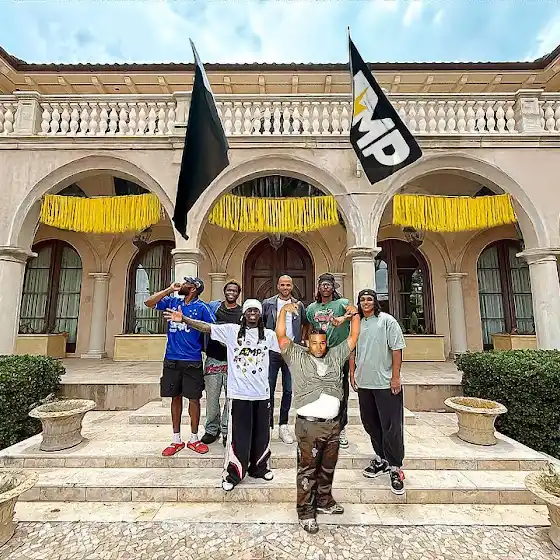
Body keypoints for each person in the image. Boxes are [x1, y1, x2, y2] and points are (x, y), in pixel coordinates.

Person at [164, 299, 276, 492]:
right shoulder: (232, 331)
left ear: (260, 315)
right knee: (238, 437)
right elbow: (206, 327)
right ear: (243, 314)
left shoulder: (269, 335)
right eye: (249, 310)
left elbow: (288, 347)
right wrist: (184, 319)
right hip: (239, 395)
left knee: (262, 435)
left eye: (256, 311)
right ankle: (233, 474)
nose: (252, 313)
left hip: (262, 395)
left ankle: (259, 468)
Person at [276, 300, 360, 534]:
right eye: (314, 342)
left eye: (322, 342)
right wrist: (282, 312)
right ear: (307, 343)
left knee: (328, 467)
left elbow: (353, 337)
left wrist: (354, 314)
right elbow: (281, 336)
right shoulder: (297, 356)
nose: (319, 346)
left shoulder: (335, 355)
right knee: (308, 470)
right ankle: (305, 511)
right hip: (309, 426)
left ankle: (324, 501)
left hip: (333, 425)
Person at [144, 277, 215, 456]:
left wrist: (185, 320)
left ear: (194, 289)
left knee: (194, 399)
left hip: (192, 359)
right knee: (175, 397)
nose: (182, 285)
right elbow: (148, 302)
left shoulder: (202, 307)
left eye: (186, 284)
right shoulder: (173, 301)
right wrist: (168, 290)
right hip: (171, 359)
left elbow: (211, 328)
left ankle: (194, 438)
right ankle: (176, 440)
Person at [349, 288, 406, 496]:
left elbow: (397, 349)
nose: (366, 303)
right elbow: (352, 350)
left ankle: (395, 467)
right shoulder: (356, 324)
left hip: (385, 383)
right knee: (370, 423)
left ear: (375, 302)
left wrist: (396, 377)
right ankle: (381, 458)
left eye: (369, 299)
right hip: (365, 383)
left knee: (391, 426)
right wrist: (352, 373)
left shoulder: (387, 321)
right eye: (362, 300)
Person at [304, 273, 354, 449]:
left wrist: (343, 318)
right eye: (322, 285)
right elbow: (310, 327)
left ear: (333, 288)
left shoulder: (341, 303)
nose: (325, 287)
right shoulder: (312, 308)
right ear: (318, 288)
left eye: (328, 285)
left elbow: (354, 312)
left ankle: (340, 429)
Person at [262, 275, 307, 445]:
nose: (285, 287)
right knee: (269, 389)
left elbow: (305, 323)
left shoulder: (298, 305)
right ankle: (267, 426)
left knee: (288, 391)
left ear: (292, 286)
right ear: (278, 286)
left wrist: (301, 341)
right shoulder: (268, 303)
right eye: (282, 285)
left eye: (288, 285)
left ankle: (283, 425)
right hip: (272, 352)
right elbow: (261, 323)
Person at [202, 280, 243, 446]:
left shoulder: (241, 312)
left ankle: (227, 430)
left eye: (234, 290)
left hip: (232, 361)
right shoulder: (214, 308)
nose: (231, 292)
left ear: (238, 294)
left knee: (230, 399)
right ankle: (212, 429)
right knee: (212, 398)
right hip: (213, 358)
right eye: (229, 290)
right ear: (224, 291)